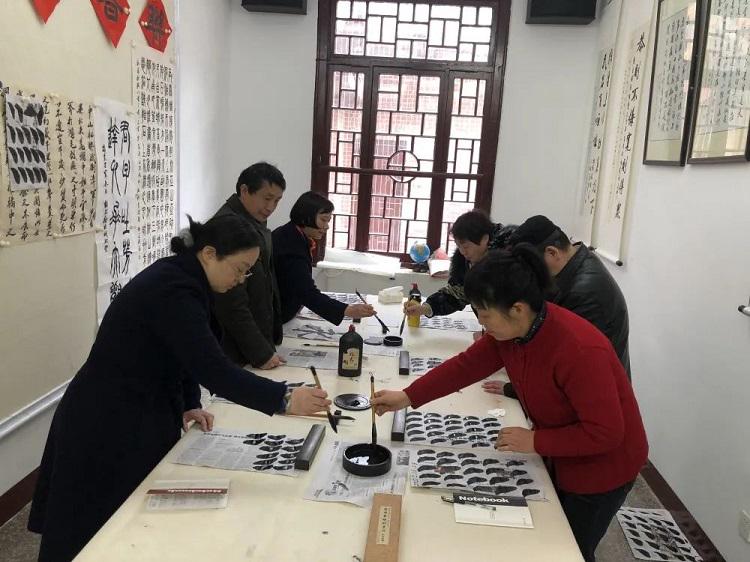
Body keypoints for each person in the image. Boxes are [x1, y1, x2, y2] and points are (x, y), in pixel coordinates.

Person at [27, 214, 330, 562]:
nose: (242, 279)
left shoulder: (189, 279)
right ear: (209, 253)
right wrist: (285, 398)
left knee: (133, 517)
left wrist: (189, 402)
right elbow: (213, 368)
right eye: (240, 269)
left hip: (142, 404)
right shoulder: (173, 288)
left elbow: (183, 350)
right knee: (94, 522)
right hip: (108, 415)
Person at [372, 246, 648, 562]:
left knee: (566, 547)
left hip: (604, 467)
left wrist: (535, 440)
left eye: (484, 314)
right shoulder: (515, 332)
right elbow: (466, 366)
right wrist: (408, 396)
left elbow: (606, 433)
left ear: (517, 308)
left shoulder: (580, 349)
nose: (480, 322)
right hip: (562, 448)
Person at [482, 215, 630, 397]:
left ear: (552, 252)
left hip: (593, 396)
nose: (532, 274)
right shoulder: (571, 266)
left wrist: (514, 388)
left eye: (533, 266)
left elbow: (564, 358)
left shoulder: (585, 292)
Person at [213, 162, 286, 370]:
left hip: (253, 344)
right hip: (235, 348)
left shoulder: (253, 221)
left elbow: (266, 283)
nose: (271, 207)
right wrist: (260, 353)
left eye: (277, 201)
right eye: (267, 198)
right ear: (244, 190)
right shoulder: (229, 227)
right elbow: (231, 303)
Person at [273, 191, 375, 324]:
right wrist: (347, 310)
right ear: (306, 217)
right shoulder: (290, 245)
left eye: (328, 221)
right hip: (278, 316)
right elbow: (306, 292)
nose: (326, 227)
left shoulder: (292, 233)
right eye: (323, 220)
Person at [404, 210, 515, 323]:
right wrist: (425, 309)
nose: (462, 252)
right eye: (459, 246)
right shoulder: (466, 262)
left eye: (466, 246)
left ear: (484, 239)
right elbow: (455, 295)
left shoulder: (510, 262)